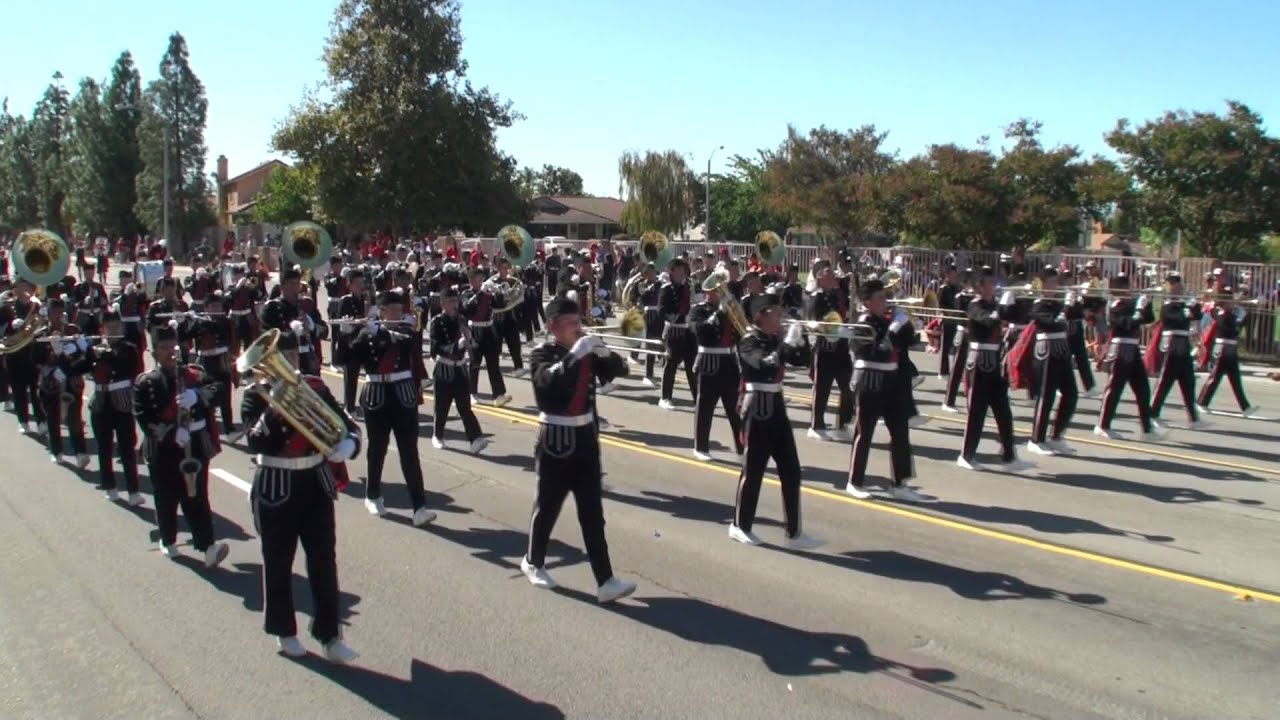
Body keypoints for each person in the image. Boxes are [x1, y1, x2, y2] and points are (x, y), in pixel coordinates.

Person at [241, 337, 362, 663]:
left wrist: (350, 444)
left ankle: (330, 635)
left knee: (324, 561)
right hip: (276, 485)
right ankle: (284, 631)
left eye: (292, 353)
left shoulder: (315, 386)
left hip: (314, 482)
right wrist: (274, 408)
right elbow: (255, 442)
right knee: (278, 561)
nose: (289, 360)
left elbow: (346, 424)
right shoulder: (255, 395)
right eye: (282, 355)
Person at [521, 297, 636, 603]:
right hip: (556, 440)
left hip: (585, 439)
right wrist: (577, 354)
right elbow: (548, 384)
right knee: (547, 508)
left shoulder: (585, 351)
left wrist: (605, 353)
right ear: (553, 327)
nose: (578, 328)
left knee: (593, 514)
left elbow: (620, 371)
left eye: (578, 322)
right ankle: (533, 562)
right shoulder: (541, 354)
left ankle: (605, 580)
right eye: (571, 323)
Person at [132, 325, 230, 567]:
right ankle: (168, 539)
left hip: (195, 444)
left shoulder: (193, 375)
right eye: (163, 348)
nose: (169, 352)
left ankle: (207, 546)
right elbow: (144, 417)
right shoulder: (146, 383)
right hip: (165, 447)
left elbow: (218, 389)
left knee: (196, 495)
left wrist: (198, 395)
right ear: (154, 352)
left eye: (172, 346)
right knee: (166, 496)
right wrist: (172, 434)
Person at [730, 293, 822, 548]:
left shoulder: (774, 338)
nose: (781, 316)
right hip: (757, 408)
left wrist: (800, 340)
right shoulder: (749, 341)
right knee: (754, 471)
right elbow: (764, 365)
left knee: (791, 470)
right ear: (762, 315)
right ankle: (739, 525)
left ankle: (794, 533)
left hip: (777, 408)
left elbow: (801, 361)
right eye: (776, 312)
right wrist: (784, 345)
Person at [349, 290, 434, 526]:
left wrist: (380, 332)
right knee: (377, 448)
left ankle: (420, 507)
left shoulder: (406, 330)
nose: (398, 313)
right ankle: (373, 494)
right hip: (377, 396)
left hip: (403, 395)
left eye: (400, 310)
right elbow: (349, 360)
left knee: (410, 451)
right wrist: (349, 334)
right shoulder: (367, 332)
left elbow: (408, 345)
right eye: (393, 310)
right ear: (382, 312)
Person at [845, 280, 927, 501]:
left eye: (885, 297)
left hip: (892, 379)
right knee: (865, 432)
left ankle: (900, 483)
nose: (885, 302)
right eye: (880, 298)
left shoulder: (886, 320)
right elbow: (876, 351)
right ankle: (855, 481)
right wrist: (892, 329)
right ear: (867, 302)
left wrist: (905, 322)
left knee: (900, 431)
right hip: (870, 379)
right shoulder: (863, 324)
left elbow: (909, 341)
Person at [957, 268, 1031, 470]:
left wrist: (1020, 300)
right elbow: (987, 320)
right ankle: (966, 455)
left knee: (1003, 410)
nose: (994, 286)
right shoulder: (973, 305)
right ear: (979, 286)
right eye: (990, 283)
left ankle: (1009, 456)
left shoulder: (993, 304)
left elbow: (1016, 317)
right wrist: (1000, 309)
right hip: (979, 361)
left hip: (994, 362)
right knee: (977, 411)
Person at [1095, 275, 1165, 440]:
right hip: (1119, 349)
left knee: (1142, 389)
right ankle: (1103, 425)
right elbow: (1128, 324)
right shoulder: (1115, 305)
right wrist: (1139, 309)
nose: (1130, 288)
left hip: (1132, 349)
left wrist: (1146, 304)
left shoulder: (1130, 303)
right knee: (1114, 389)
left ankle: (1146, 429)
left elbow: (1148, 320)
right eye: (1126, 285)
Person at [1023, 267, 1080, 456]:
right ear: (1043, 284)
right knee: (1046, 396)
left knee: (1071, 393)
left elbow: (1077, 316)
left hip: (1062, 350)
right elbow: (1049, 321)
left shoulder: (1058, 301)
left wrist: (1074, 302)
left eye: (1057, 282)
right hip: (1046, 351)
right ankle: (1036, 439)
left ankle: (1056, 436)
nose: (1056, 286)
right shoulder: (1038, 303)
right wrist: (1064, 308)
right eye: (1052, 282)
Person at [89, 311, 144, 503]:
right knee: (104, 448)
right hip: (101, 402)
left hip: (121, 402)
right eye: (108, 327)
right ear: (102, 329)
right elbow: (78, 368)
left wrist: (105, 354)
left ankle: (133, 492)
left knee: (127, 449)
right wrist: (69, 351)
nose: (113, 330)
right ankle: (110, 487)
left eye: (116, 326)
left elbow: (127, 368)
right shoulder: (94, 349)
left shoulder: (129, 348)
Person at [687, 279, 744, 462]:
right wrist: (719, 313)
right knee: (705, 408)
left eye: (722, 289)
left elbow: (742, 332)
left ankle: (743, 448)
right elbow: (700, 332)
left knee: (736, 409)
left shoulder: (730, 310)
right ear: (707, 293)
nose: (721, 293)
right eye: (716, 290)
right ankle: (701, 447)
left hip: (729, 361)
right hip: (709, 362)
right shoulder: (698, 310)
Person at [427, 286, 488, 453]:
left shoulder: (460, 320)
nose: (454, 304)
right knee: (442, 407)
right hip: (444, 369)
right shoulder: (437, 322)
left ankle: (475, 439)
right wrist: (455, 346)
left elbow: (471, 344)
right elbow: (435, 347)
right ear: (443, 304)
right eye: (451, 301)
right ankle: (438, 436)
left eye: (456, 301)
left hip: (460, 369)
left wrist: (469, 338)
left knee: (464, 407)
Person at [1148, 273, 1206, 428]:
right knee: (1165, 381)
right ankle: (1152, 413)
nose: (1178, 288)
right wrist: (1185, 308)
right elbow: (1171, 319)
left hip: (1184, 345)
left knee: (1188, 381)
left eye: (1179, 285)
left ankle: (1193, 418)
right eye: (1174, 285)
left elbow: (1195, 321)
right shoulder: (1167, 304)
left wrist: (1194, 307)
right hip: (1171, 345)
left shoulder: (1185, 304)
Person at [806, 262, 854, 441]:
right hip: (825, 348)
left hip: (841, 347)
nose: (833, 274)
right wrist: (824, 328)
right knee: (822, 389)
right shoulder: (816, 297)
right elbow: (811, 321)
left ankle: (843, 425)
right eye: (828, 273)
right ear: (819, 277)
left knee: (847, 387)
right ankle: (816, 426)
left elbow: (845, 313)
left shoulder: (838, 294)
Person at [1196, 291, 1259, 417]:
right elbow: (1231, 326)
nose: (1233, 303)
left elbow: (1240, 326)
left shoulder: (1230, 313)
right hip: (1222, 349)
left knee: (1235, 379)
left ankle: (1245, 407)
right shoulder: (1222, 314)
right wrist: (1240, 314)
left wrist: (1243, 312)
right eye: (1230, 301)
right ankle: (1201, 402)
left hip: (1231, 349)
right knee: (1215, 378)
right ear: (1224, 303)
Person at [657, 258, 697, 409]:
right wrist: (678, 317)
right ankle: (665, 397)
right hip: (674, 329)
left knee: (691, 366)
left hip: (688, 330)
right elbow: (662, 311)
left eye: (683, 270)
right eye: (678, 270)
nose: (682, 273)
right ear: (671, 272)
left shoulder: (688, 287)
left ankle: (697, 397)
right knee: (672, 364)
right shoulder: (666, 289)